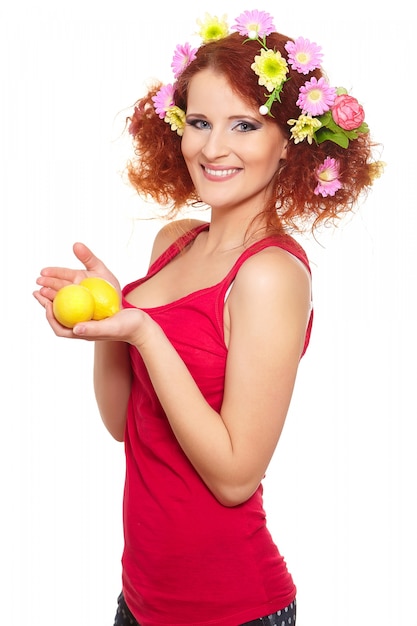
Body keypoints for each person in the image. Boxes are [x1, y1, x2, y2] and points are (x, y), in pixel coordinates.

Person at [33, 9, 383, 626]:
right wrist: (108, 323)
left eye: (244, 125)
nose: (212, 148)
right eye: (198, 122)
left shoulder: (271, 275)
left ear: (290, 141)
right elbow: (122, 424)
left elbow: (234, 478)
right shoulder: (174, 241)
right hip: (140, 602)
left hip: (232, 610)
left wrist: (141, 329)